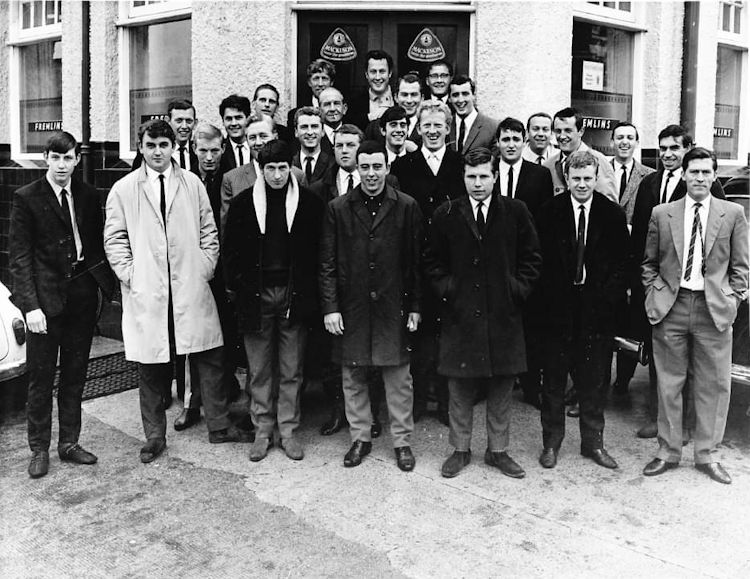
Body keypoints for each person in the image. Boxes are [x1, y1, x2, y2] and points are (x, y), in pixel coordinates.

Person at [104, 120, 250, 464]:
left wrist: (204, 266)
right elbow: (114, 239)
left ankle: (218, 426)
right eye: (151, 145)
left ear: (173, 147)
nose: (158, 152)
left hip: (189, 285)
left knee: (210, 356)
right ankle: (155, 436)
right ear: (142, 147)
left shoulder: (192, 183)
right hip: (149, 291)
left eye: (164, 145)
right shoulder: (124, 189)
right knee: (152, 365)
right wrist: (131, 274)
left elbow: (209, 230)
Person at [423, 147, 541, 479]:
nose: (477, 183)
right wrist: (448, 290)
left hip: (503, 314)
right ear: (463, 177)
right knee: (459, 386)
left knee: (502, 385)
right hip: (461, 314)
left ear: (495, 176)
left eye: (484, 176)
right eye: (471, 177)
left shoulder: (516, 212)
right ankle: (460, 449)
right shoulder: (446, 214)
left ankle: (498, 450)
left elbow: (533, 258)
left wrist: (516, 290)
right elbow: (431, 262)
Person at [10, 131, 116, 479]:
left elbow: (97, 244)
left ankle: (69, 442)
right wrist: (31, 307)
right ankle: (39, 448)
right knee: (41, 377)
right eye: (55, 158)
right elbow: (20, 259)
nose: (62, 165)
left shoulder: (86, 194)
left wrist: (104, 288)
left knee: (75, 374)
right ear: (46, 158)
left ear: (77, 160)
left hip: (82, 296)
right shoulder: (27, 198)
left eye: (68, 158)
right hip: (45, 302)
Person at [641, 147, 748, 484]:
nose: (699, 177)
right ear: (684, 175)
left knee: (714, 385)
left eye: (706, 172)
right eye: (694, 172)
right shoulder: (663, 213)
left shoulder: (731, 214)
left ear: (714, 175)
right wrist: (652, 294)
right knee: (670, 383)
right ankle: (668, 451)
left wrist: (731, 300)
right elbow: (649, 263)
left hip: (712, 308)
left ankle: (708, 454)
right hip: (672, 306)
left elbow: (741, 269)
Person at [319, 140, 423, 471]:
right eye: (365, 167)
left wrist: (416, 307)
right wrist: (331, 308)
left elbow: (417, 263)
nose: (372, 174)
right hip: (353, 307)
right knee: (353, 375)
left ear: (387, 167)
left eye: (377, 166)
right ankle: (360, 438)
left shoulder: (407, 206)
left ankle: (402, 442)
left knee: (398, 378)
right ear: (356, 168)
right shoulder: (338, 208)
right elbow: (327, 264)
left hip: (394, 305)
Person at [223, 140, 323, 462]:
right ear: (260, 170)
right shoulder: (243, 204)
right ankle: (263, 430)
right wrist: (241, 290)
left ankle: (289, 430)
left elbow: (319, 253)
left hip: (294, 295)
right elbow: (231, 255)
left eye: (282, 168)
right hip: (258, 296)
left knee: (292, 368)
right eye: (270, 169)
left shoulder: (308, 203)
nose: (278, 175)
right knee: (260, 370)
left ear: (290, 167)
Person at [629, 125, 725, 438]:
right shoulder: (649, 183)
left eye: (674, 148)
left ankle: (686, 424)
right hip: (661, 289)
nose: (668, 154)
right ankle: (660, 419)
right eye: (663, 149)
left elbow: (719, 238)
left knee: (693, 363)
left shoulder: (704, 183)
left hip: (696, 290)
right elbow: (642, 238)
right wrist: (646, 285)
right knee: (660, 357)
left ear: (686, 151)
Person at [536, 150, 629, 470]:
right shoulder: (549, 212)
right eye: (576, 179)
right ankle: (551, 443)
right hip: (557, 312)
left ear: (596, 177)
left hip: (596, 314)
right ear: (566, 178)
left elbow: (623, 266)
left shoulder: (611, 214)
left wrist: (604, 300)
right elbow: (539, 264)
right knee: (553, 383)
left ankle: (593, 443)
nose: (582, 185)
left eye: (588, 178)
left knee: (594, 381)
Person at [309, 124, 399, 436]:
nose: (345, 151)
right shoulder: (324, 189)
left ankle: (373, 418)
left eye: (352, 145)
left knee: (380, 363)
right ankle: (342, 415)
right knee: (346, 365)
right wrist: (330, 304)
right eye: (340, 145)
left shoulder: (395, 193)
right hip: (349, 294)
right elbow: (326, 256)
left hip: (382, 292)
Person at [390, 100, 465, 423]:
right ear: (417, 129)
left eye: (439, 125)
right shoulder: (404, 166)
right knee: (418, 336)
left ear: (448, 129)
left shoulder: (460, 163)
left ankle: (448, 404)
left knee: (449, 334)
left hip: (452, 264)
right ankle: (419, 401)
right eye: (427, 125)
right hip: (416, 262)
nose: (433, 131)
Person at [174, 121, 244, 431]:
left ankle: (223, 398)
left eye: (215, 150)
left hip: (223, 269)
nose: (209, 156)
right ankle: (191, 403)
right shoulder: (185, 181)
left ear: (223, 149)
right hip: (194, 269)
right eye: (203, 150)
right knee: (192, 341)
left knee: (224, 337)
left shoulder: (228, 178)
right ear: (193, 150)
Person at [492, 117, 554, 409]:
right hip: (493, 258)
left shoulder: (538, 175)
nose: (511, 144)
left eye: (517, 139)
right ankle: (490, 382)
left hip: (523, 261)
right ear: (498, 143)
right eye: (506, 139)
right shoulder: (489, 172)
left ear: (525, 141)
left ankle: (530, 385)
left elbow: (542, 223)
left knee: (529, 327)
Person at [606, 121, 655, 401]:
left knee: (630, 322)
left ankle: (622, 381)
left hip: (634, 256)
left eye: (629, 137)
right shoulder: (602, 170)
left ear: (636, 142)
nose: (624, 142)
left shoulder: (648, 177)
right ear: (612, 141)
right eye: (619, 137)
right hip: (607, 254)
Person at [220, 113, 303, 232]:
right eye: (252, 137)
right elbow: (226, 229)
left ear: (275, 136)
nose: (258, 143)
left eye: (263, 136)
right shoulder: (232, 179)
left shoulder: (297, 175)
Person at [544, 107, 617, 202]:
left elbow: (609, 206)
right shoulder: (548, 165)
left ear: (581, 131)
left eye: (568, 131)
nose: (562, 136)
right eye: (558, 131)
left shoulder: (599, 161)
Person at [132, 99, 199, 173]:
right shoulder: (151, 151)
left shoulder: (198, 151)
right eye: (179, 121)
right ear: (168, 121)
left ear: (195, 123)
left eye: (189, 121)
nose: (184, 126)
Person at [365, 73, 422, 146]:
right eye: (404, 95)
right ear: (396, 97)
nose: (409, 100)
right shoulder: (375, 128)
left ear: (422, 98)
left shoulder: (429, 125)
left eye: (414, 95)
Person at [448, 75, 498, 156]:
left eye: (465, 94)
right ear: (449, 99)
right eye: (455, 95)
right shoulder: (445, 126)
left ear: (474, 96)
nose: (460, 100)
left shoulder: (492, 127)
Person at [347, 50, 395, 129]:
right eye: (373, 72)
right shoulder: (355, 103)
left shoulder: (400, 98)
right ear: (366, 74)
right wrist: (370, 118)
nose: (377, 77)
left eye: (382, 71)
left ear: (389, 73)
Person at [287, 58, 336, 131]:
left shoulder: (339, 112)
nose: (320, 84)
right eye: (316, 79)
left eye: (324, 79)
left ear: (331, 82)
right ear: (309, 82)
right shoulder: (295, 114)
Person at [292, 106, 335, 186]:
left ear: (322, 131)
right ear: (296, 132)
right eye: (304, 127)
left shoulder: (333, 165)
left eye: (314, 126)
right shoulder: (290, 164)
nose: (310, 132)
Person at [219, 94, 252, 173]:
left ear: (247, 119)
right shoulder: (220, 151)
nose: (233, 123)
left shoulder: (256, 146)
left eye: (238, 118)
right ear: (223, 122)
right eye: (229, 119)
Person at [318, 87, 348, 154]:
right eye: (327, 104)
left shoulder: (354, 135)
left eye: (336, 103)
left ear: (344, 109)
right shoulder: (314, 137)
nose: (332, 109)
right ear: (319, 110)